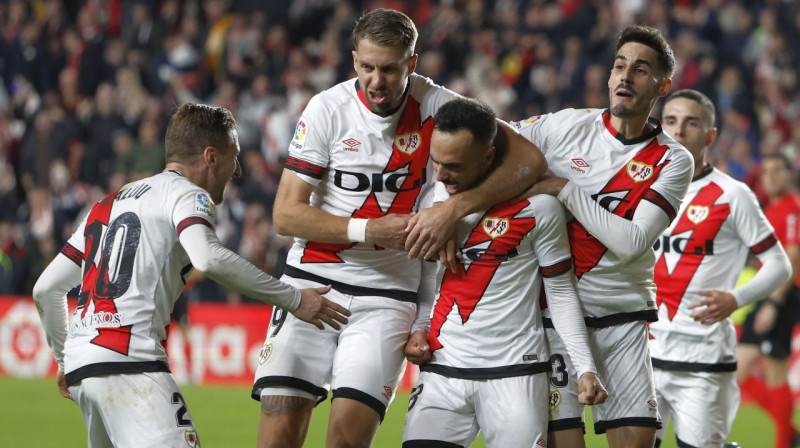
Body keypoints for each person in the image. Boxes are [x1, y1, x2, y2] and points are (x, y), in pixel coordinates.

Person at [251, 8, 546, 448]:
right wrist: (369, 231)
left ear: (411, 63)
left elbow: (530, 160)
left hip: (388, 297)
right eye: (367, 67)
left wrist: (454, 209)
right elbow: (285, 216)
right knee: (277, 440)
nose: (376, 80)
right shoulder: (327, 109)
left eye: (389, 69)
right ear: (354, 61)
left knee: (347, 441)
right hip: (312, 285)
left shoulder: (440, 106)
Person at [32, 103, 350, 447]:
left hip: (83, 366)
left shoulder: (107, 204)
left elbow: (45, 288)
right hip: (132, 361)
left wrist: (64, 359)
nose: (238, 170)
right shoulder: (187, 194)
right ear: (210, 156)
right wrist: (294, 298)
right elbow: (209, 258)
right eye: (234, 156)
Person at [510, 25, 695, 448]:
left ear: (662, 86)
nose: (626, 76)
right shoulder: (562, 127)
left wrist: (562, 188)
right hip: (553, 320)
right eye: (619, 65)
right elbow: (490, 134)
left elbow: (631, 243)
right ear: (609, 77)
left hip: (623, 319)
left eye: (641, 69)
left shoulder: (671, 159)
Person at [400, 97, 606, 447]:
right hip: (443, 369)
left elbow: (559, 291)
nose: (440, 175)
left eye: (453, 165)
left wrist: (585, 366)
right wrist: (419, 327)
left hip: (516, 374)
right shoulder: (431, 206)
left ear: (489, 157)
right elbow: (425, 279)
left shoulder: (539, 208)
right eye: (435, 162)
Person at [649, 89, 791, 448]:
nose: (679, 130)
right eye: (670, 121)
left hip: (703, 361)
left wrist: (736, 298)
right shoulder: (642, 189)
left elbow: (779, 263)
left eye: (691, 122)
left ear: (710, 136)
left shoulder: (732, 194)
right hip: (643, 357)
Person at [737, 152, 800, 448]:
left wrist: (774, 304)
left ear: (789, 174)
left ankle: (783, 441)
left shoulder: (791, 208)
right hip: (769, 292)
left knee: (772, 371)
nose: (772, 177)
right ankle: (787, 432)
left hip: (782, 296)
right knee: (744, 369)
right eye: (767, 172)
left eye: (778, 171)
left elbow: (793, 256)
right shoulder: (772, 207)